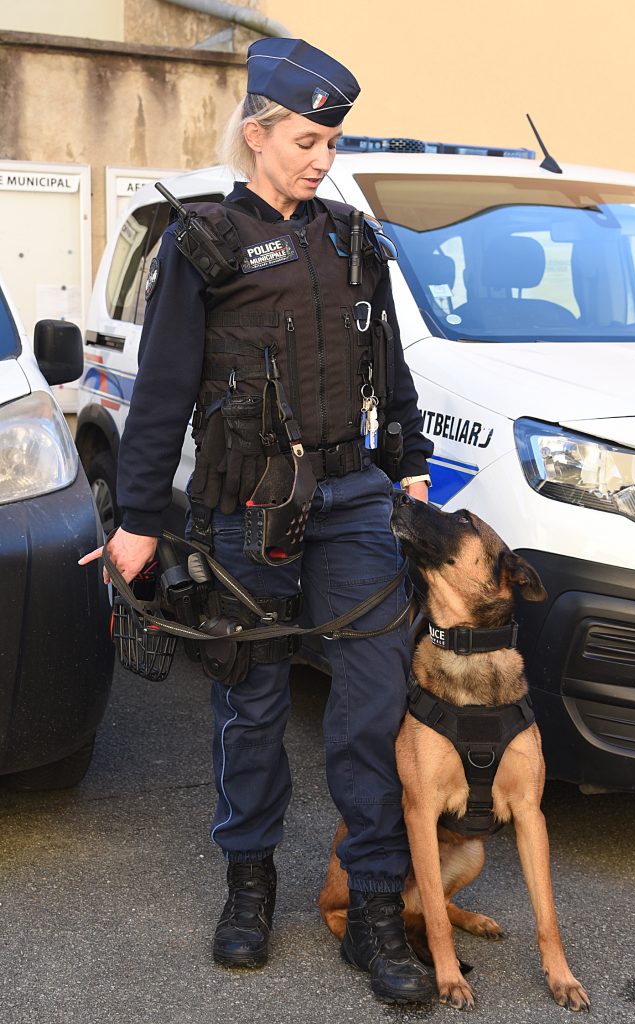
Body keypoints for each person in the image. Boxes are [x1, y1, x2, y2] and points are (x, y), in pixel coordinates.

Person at [81, 37, 434, 1004]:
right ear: (258, 134)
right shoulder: (203, 245)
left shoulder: (352, 239)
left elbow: (392, 373)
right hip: (242, 507)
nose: (324, 158)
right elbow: (159, 397)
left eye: (332, 142)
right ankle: (250, 885)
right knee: (253, 703)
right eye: (310, 139)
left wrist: (408, 472)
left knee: (371, 703)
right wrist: (141, 520)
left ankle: (372, 903)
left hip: (353, 497)